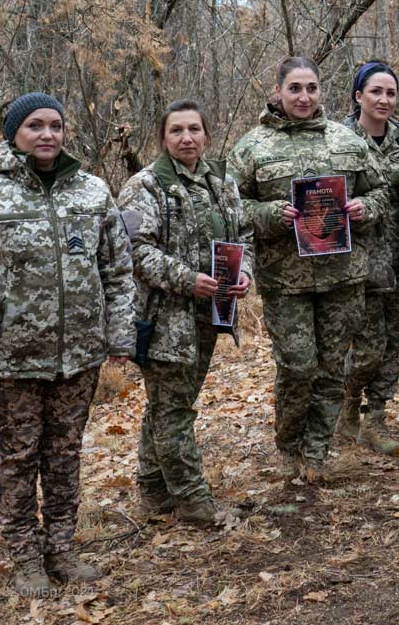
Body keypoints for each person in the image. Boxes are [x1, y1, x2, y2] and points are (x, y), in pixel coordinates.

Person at [0, 93, 135, 597]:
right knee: (19, 457)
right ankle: (24, 556)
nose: (47, 134)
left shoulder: (92, 192)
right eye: (35, 125)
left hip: (79, 355)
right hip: (12, 358)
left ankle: (61, 548)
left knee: (65, 455)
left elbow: (117, 269)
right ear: (13, 134)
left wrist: (119, 333)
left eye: (55, 125)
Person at [228, 57, 391, 480]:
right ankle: (289, 445)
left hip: (343, 276)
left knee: (332, 367)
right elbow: (232, 207)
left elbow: (381, 192)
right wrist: (268, 214)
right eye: (295, 88)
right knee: (297, 366)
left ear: (321, 91)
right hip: (286, 279)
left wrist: (364, 207)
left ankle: (316, 453)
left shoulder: (347, 140)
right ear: (278, 91)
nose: (304, 97)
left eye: (311, 88)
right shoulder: (252, 147)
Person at [117, 99, 253, 525]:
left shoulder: (221, 182)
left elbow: (243, 234)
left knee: (168, 404)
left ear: (206, 135)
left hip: (211, 313)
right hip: (165, 319)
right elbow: (133, 250)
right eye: (176, 130)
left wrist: (244, 271)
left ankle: (153, 490)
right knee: (173, 410)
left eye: (194, 129)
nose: (187, 138)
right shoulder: (144, 186)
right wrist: (186, 278)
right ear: (163, 138)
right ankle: (194, 502)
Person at [338, 62, 399, 455]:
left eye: (390, 93)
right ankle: (347, 406)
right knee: (367, 348)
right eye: (376, 91)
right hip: (358, 264)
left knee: (392, 348)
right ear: (359, 96)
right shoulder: (338, 139)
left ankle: (374, 419)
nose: (384, 99)